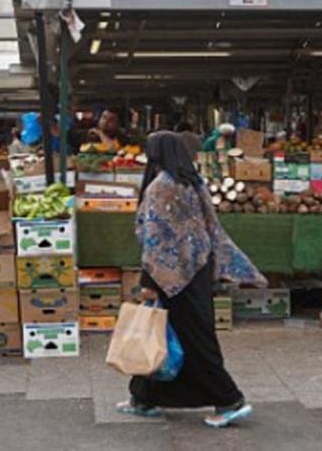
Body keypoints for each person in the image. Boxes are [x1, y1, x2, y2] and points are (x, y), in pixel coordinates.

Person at [119, 132, 266, 428]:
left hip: (171, 275)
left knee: (192, 339)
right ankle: (143, 398)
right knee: (164, 334)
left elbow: (155, 239)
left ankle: (229, 400)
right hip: (196, 269)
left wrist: (148, 281)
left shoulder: (160, 187)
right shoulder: (191, 181)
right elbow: (208, 227)